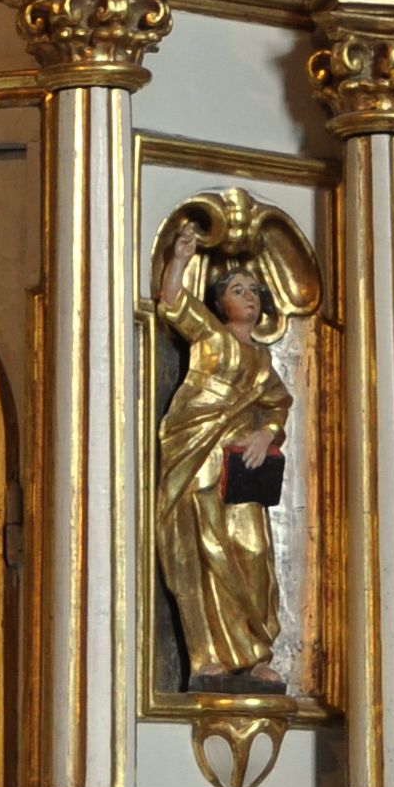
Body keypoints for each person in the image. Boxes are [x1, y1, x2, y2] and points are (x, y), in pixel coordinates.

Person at [152, 221, 295, 690]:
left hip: (241, 465)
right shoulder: (211, 336)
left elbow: (278, 406)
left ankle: (257, 653)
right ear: (220, 304)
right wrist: (180, 258)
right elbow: (173, 301)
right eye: (238, 290)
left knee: (253, 553)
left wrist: (264, 436)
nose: (249, 297)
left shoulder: (264, 361)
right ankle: (207, 655)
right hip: (197, 457)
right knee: (204, 551)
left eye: (254, 291)